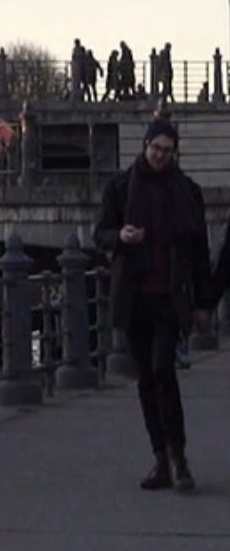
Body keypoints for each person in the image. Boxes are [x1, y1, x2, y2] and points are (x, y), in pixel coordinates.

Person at [94, 116, 211, 490]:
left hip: (170, 296)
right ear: (144, 146)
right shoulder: (121, 186)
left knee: (164, 370)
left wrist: (202, 302)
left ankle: (179, 457)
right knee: (146, 378)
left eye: (167, 151)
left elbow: (199, 250)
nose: (160, 156)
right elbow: (100, 233)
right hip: (134, 294)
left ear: (174, 153)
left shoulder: (188, 191)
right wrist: (120, 236)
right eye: (155, 148)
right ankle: (160, 457)